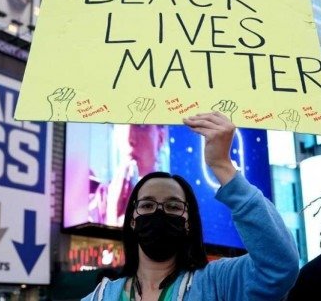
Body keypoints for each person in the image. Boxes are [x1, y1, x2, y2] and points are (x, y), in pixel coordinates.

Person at [83, 111, 299, 301]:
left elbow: (279, 266)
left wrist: (222, 165)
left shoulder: (217, 284)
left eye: (173, 206)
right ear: (132, 220)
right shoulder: (100, 297)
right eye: (147, 205)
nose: (159, 212)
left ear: (189, 222)